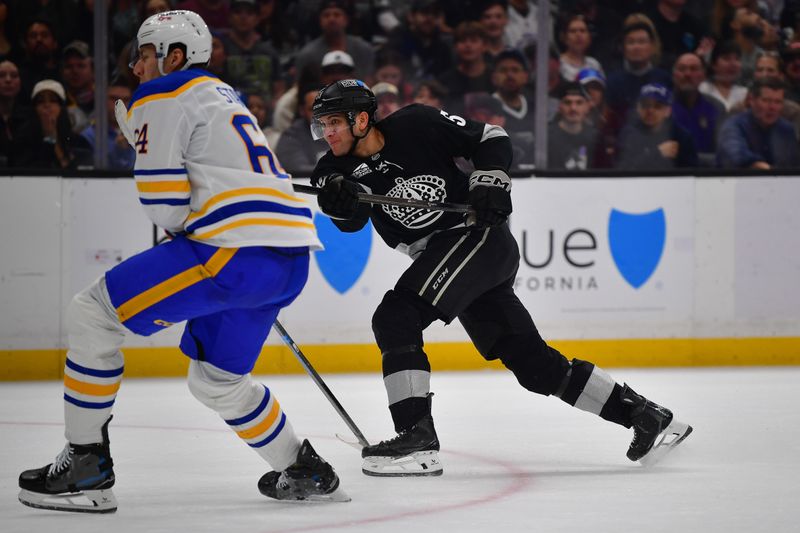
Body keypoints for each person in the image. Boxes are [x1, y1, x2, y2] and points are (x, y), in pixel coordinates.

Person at [17, 10, 347, 513]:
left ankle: (85, 466)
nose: (137, 68)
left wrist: (141, 150)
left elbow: (165, 207)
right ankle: (303, 468)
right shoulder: (221, 94)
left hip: (231, 251)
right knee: (217, 379)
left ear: (174, 56)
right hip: (288, 259)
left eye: (144, 55)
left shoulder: (160, 94)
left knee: (92, 313)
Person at [308, 79, 693, 477]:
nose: (328, 133)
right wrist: (340, 199)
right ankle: (645, 416)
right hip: (451, 258)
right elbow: (350, 220)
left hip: (476, 238)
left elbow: (491, 137)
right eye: (322, 125)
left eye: (335, 121)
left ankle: (416, 437)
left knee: (395, 317)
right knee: (535, 368)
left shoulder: (416, 123)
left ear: (363, 119)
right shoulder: (332, 170)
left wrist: (490, 177)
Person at [717, 76, 800, 168]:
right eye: (766, 101)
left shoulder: (786, 129)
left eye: (778, 102)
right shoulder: (734, 126)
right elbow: (735, 156)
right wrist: (766, 170)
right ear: (752, 100)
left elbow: (795, 165)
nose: (772, 107)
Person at [616, 82, 699, 169]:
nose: (650, 111)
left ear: (668, 111)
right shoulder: (628, 135)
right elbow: (623, 170)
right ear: (638, 108)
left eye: (657, 106)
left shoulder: (682, 137)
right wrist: (657, 154)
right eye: (645, 105)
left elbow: (692, 174)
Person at [547, 81, 598, 170]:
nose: (573, 108)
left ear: (587, 107)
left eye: (579, 103)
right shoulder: (547, 137)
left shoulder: (596, 138)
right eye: (567, 102)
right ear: (559, 107)